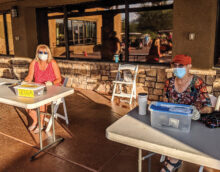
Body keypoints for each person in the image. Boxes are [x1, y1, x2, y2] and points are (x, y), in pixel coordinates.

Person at [161, 54, 212, 172]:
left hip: (191, 124)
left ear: (189, 66)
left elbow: (208, 107)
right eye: (175, 65)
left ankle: (172, 162)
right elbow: (165, 102)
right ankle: (173, 160)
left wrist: (197, 111)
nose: (177, 68)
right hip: (172, 121)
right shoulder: (169, 83)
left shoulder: (197, 83)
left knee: (178, 136)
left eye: (181, 65)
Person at [24, 44, 62, 133]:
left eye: (45, 52)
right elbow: (29, 77)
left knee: (41, 102)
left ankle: (41, 124)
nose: (43, 54)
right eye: (40, 52)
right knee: (25, 102)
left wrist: (51, 83)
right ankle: (35, 120)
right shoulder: (34, 63)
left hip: (52, 88)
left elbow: (59, 79)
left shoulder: (52, 63)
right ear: (37, 53)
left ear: (48, 53)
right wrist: (25, 81)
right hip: (39, 88)